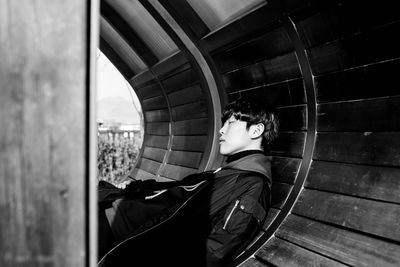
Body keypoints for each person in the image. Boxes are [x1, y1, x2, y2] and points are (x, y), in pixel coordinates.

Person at [97, 96, 279, 267]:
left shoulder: (253, 184)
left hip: (126, 235)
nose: (222, 130)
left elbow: (218, 249)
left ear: (256, 130)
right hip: (121, 218)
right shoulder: (227, 173)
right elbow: (177, 191)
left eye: (231, 123)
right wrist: (136, 187)